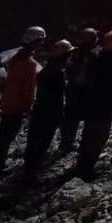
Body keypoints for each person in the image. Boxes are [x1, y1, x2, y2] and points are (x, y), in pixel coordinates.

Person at [0, 26, 46, 178]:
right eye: (41, 41)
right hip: (17, 106)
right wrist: (28, 107)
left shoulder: (16, 58)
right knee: (5, 138)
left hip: (8, 102)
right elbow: (27, 89)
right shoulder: (29, 63)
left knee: (2, 137)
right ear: (35, 42)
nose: (42, 45)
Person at [75, 29, 112, 180]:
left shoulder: (97, 57)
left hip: (92, 104)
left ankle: (81, 165)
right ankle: (87, 169)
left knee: (88, 136)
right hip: (104, 106)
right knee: (98, 138)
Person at [23, 39, 72, 184]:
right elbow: (57, 98)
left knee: (33, 142)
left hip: (39, 110)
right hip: (49, 113)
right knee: (41, 144)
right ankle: (31, 176)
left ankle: (28, 171)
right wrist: (60, 115)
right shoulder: (58, 73)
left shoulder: (46, 70)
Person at [60, 28, 99, 154]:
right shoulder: (93, 55)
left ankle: (66, 143)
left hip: (73, 88)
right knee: (80, 117)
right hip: (84, 90)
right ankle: (72, 144)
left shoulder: (75, 52)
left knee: (70, 117)